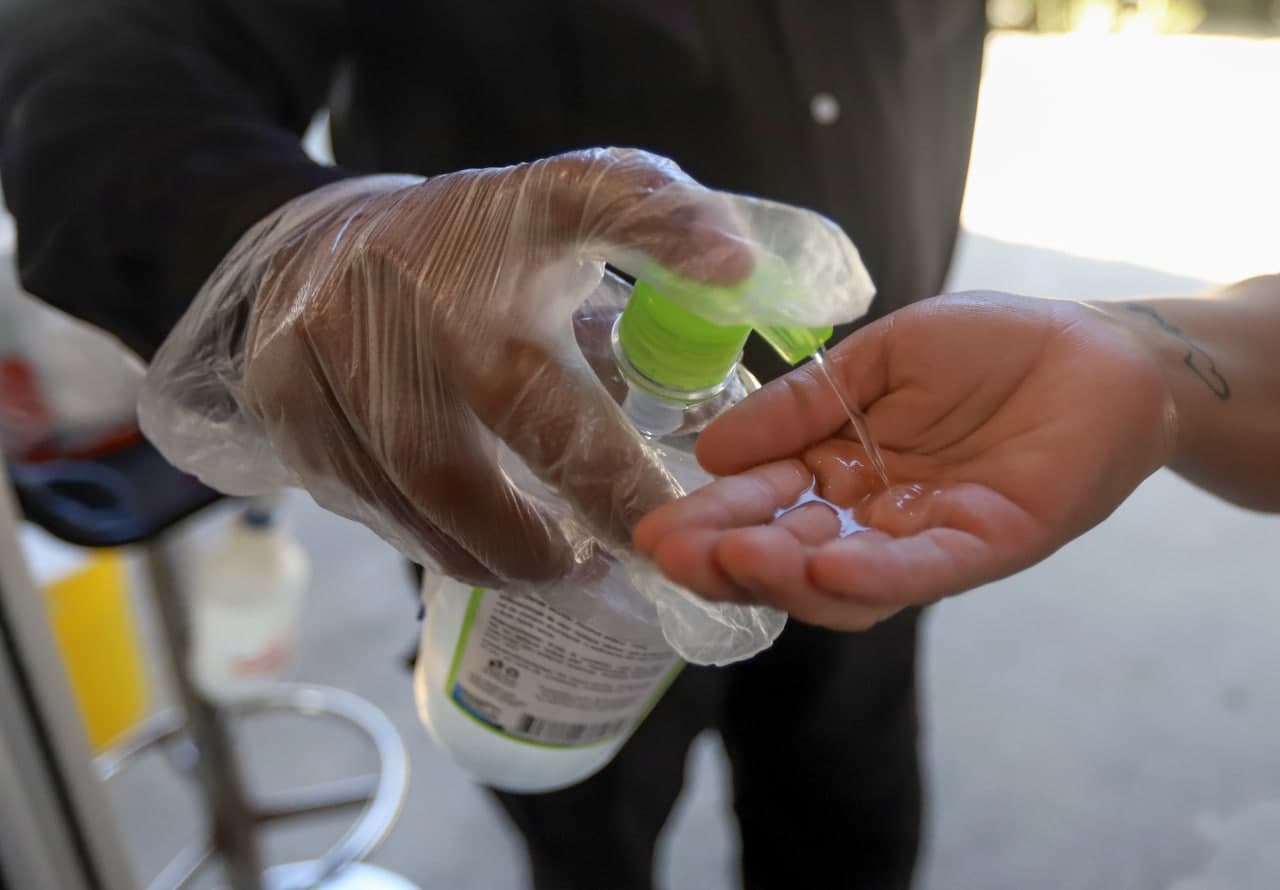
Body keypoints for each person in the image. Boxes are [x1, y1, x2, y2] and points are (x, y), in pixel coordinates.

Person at [0, 2, 989, 888]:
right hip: (535, 509)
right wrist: (302, 241)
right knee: (582, 832)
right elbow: (84, 51)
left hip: (862, 495)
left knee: (847, 827)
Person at [636, 279, 1280, 626]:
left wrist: (1138, 362)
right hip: (793, 423)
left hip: (883, 478)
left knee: (847, 778)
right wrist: (1135, 353)